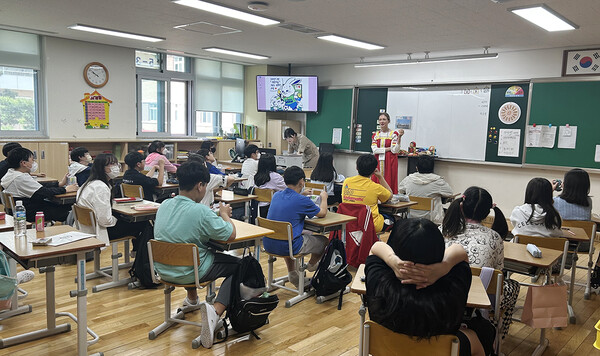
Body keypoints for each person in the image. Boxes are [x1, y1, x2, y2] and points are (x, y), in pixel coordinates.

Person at [366, 218, 493, 356]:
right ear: (439, 250)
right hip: (440, 350)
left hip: (388, 348)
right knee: (480, 334)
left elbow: (376, 247)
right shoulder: (453, 285)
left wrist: (392, 260)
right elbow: (460, 252)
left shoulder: (381, 282)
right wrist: (444, 266)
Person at [154, 161, 238, 349]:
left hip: (164, 270)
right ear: (200, 185)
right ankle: (214, 313)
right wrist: (225, 214)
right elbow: (230, 235)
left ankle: (192, 299)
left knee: (191, 248)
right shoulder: (200, 211)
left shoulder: (164, 205)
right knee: (239, 265)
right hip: (190, 271)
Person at [442, 186, 519, 338]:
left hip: (444, 292)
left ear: (461, 206)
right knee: (513, 285)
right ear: (487, 212)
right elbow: (498, 272)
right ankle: (498, 335)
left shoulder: (442, 231)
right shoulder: (495, 237)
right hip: (481, 298)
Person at [265, 166, 329, 288]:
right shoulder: (301, 200)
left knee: (288, 236)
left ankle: (292, 273)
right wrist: (324, 198)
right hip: (289, 247)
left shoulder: (277, 195)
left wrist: (302, 194)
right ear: (301, 182)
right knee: (324, 240)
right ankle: (311, 265)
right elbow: (322, 213)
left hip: (269, 243)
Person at [75, 153, 150, 247]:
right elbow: (105, 220)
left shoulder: (89, 183)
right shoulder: (100, 187)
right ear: (101, 168)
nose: (116, 167)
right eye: (112, 164)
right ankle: (142, 259)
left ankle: (139, 255)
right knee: (144, 224)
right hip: (100, 230)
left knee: (131, 220)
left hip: (87, 228)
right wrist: (118, 219)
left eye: (116, 163)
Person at [1, 147, 77, 222]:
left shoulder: (12, 173)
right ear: (24, 163)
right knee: (68, 209)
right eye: (32, 160)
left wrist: (59, 184)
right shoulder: (20, 178)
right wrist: (65, 189)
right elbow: (44, 192)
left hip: (23, 209)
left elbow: (37, 187)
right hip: (30, 212)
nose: (34, 162)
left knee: (59, 206)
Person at [342, 154, 393, 233]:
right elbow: (390, 195)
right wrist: (380, 177)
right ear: (374, 171)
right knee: (395, 219)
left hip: (350, 223)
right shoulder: (375, 187)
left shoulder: (347, 182)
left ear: (356, 167)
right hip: (370, 225)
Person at [398, 154, 453, 224]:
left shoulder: (408, 179)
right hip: (432, 220)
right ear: (432, 168)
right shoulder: (437, 181)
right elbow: (450, 193)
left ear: (416, 168)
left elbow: (400, 190)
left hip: (411, 218)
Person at [371, 113, 404, 193]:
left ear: (388, 121)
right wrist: (388, 148)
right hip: (377, 161)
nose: (382, 121)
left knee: (390, 179)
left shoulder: (394, 134)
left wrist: (399, 138)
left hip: (390, 161)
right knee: (376, 179)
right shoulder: (375, 135)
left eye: (384, 119)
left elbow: (395, 150)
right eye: (380, 119)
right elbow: (375, 150)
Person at [252, 153, 286, 220]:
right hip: (270, 210)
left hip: (258, 209)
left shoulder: (256, 176)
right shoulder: (276, 177)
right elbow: (287, 190)